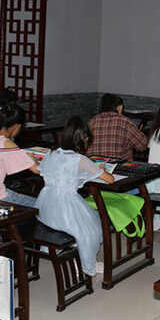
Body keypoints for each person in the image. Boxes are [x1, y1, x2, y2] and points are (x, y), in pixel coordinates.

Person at [35, 116, 114, 276]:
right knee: (90, 231)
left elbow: (41, 170)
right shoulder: (80, 160)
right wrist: (100, 169)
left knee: (82, 226)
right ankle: (86, 265)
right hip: (67, 205)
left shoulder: (52, 154)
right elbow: (110, 179)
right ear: (84, 138)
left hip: (45, 205)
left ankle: (66, 251)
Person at [87, 93, 147, 161]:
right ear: (120, 107)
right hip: (118, 166)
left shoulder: (91, 122)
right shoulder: (125, 122)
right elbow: (143, 145)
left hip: (93, 165)